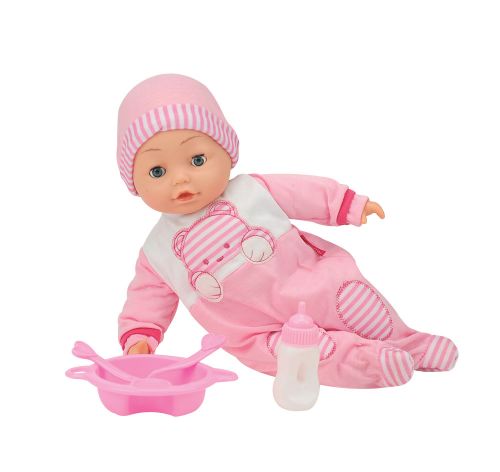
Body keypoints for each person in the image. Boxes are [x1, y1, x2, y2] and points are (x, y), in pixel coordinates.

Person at [116, 74, 458, 388]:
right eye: (157, 171)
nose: (180, 179)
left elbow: (302, 192)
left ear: (227, 153)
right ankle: (370, 364)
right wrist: (140, 337)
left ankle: (410, 344)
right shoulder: (158, 251)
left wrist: (347, 204)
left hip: (313, 282)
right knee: (300, 356)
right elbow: (146, 298)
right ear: (134, 182)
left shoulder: (251, 191)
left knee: (358, 307)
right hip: (256, 332)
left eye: (197, 160)